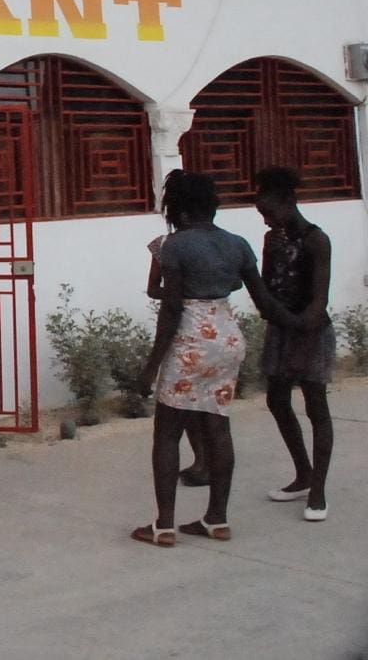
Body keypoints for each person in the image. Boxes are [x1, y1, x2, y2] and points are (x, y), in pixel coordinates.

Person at [133, 173, 277, 547]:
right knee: (218, 427)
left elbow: (172, 308)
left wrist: (151, 367)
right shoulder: (237, 243)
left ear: (178, 209)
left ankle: (164, 525)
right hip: (227, 336)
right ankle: (217, 519)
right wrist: (302, 321)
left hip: (191, 339)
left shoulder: (175, 246)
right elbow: (263, 299)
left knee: (167, 433)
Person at [253, 167, 335, 522]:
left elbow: (319, 301)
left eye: (270, 212)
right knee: (277, 400)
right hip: (282, 328)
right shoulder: (271, 239)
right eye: (262, 214)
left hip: (311, 331)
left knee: (316, 407)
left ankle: (318, 490)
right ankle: (303, 473)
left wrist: (300, 337)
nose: (266, 220)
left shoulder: (317, 240)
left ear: (289, 202)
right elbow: (266, 289)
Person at [146, 169, 209, 487]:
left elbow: (156, 293)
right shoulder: (219, 242)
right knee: (207, 407)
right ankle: (206, 462)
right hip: (213, 330)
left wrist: (178, 294)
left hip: (182, 332)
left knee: (179, 409)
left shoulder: (168, 245)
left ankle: (203, 463)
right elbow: (154, 289)